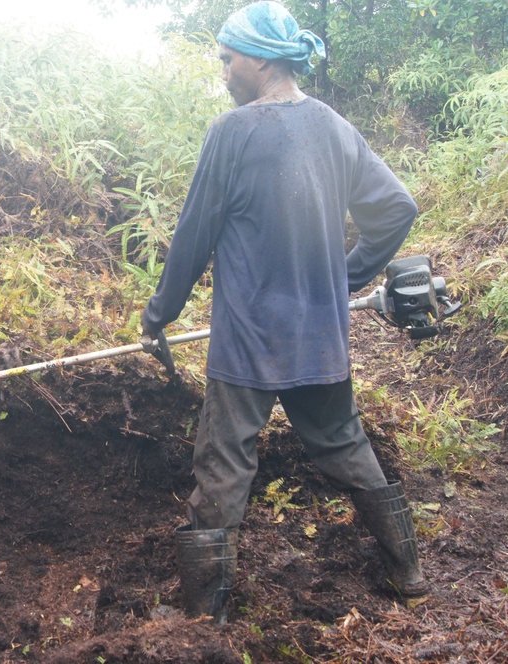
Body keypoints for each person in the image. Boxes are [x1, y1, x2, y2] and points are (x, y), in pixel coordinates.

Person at [139, 1, 427, 623]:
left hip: (247, 340)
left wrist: (159, 312)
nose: (223, 72)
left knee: (223, 462)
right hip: (319, 335)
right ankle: (408, 572)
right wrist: (343, 277)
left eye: (227, 58)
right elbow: (396, 208)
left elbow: (194, 235)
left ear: (261, 59)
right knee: (343, 441)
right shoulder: (332, 126)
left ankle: (203, 618)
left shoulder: (233, 131)